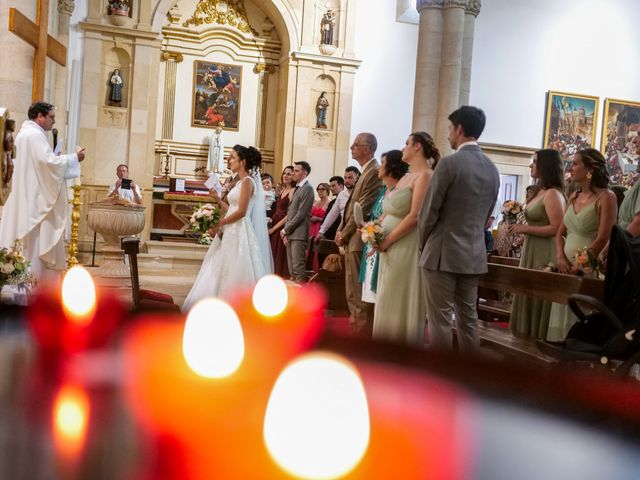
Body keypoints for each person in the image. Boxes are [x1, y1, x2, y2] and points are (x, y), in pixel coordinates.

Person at [419, 106, 500, 353]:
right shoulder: (492, 169)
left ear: (460, 129)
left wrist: (423, 246)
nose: (448, 135)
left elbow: (429, 213)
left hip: (442, 253)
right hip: (473, 255)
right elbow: (487, 217)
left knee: (440, 319)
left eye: (449, 129)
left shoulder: (449, 164)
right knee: (468, 318)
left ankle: (441, 376)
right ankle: (469, 373)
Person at [0, 101, 85, 282]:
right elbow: (49, 164)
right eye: (51, 117)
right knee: (35, 245)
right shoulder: (34, 136)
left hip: (27, 197)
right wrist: (74, 158)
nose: (53, 122)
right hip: (33, 202)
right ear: (40, 116)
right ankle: (36, 290)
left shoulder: (25, 134)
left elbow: (42, 164)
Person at [182, 145, 273, 311]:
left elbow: (242, 212)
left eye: (232, 157)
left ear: (243, 161)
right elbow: (231, 208)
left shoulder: (247, 182)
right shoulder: (239, 183)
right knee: (220, 264)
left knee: (235, 265)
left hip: (238, 230)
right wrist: (217, 198)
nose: (228, 160)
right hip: (231, 228)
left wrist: (220, 224)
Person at [373, 133, 438, 346]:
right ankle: (384, 344)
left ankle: (401, 347)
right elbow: (389, 208)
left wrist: (388, 239)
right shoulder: (405, 177)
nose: (403, 148)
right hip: (388, 245)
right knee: (385, 293)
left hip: (405, 244)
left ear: (417, 147)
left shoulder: (425, 176)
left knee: (396, 293)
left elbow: (416, 215)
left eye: (407, 144)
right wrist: (372, 232)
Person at [547, 149, 617, 342]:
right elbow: (560, 232)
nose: (571, 167)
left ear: (590, 169)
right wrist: (560, 258)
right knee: (561, 313)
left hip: (586, 267)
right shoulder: (573, 197)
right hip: (564, 266)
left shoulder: (606, 197)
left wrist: (580, 266)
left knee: (579, 315)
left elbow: (603, 237)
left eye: (576, 163)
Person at [508, 149, 566, 339]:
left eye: (534, 162)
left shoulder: (552, 194)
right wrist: (524, 235)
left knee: (537, 295)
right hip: (532, 247)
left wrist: (526, 230)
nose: (531, 165)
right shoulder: (541, 191)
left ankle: (535, 338)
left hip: (544, 251)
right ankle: (523, 338)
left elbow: (557, 228)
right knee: (526, 292)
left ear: (545, 165)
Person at [336, 133, 383, 335]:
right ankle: (355, 324)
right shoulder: (365, 171)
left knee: (356, 288)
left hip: (357, 238)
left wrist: (344, 234)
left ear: (367, 148)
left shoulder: (373, 171)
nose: (351, 148)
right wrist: (341, 229)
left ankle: (360, 330)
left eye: (355, 145)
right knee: (350, 287)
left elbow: (362, 206)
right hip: (352, 236)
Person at [281, 161, 314, 282]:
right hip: (291, 233)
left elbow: (301, 214)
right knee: (292, 270)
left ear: (304, 173)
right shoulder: (298, 188)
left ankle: (301, 298)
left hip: (299, 234)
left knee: (298, 269)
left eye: (296, 171)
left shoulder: (308, 189)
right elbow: (291, 212)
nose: (293, 173)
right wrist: (286, 232)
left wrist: (285, 229)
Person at [316, 167, 360, 241]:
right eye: (345, 178)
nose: (346, 181)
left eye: (350, 178)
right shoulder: (342, 195)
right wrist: (321, 232)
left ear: (357, 178)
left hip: (356, 230)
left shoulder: (360, 193)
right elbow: (332, 214)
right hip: (342, 230)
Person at [269, 166, 295, 277]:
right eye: (284, 173)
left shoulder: (293, 191)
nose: (286, 176)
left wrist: (274, 228)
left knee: (279, 257)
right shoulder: (283, 190)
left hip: (282, 227)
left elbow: (289, 214)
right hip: (274, 223)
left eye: (289, 174)